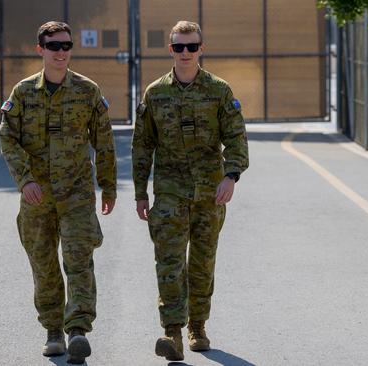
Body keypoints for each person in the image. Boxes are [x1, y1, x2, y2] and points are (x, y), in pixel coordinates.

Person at [0, 21, 116, 365]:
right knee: (44, 264)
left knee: (79, 259)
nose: (61, 52)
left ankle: (77, 328)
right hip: (37, 196)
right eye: (54, 46)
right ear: (40, 50)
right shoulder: (23, 92)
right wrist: (25, 180)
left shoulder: (87, 91)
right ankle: (53, 330)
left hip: (77, 193)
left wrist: (108, 186)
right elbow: (7, 137)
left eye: (66, 46)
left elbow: (104, 142)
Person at [132, 20, 249, 361]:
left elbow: (236, 138)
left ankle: (197, 326)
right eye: (179, 47)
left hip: (209, 193)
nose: (186, 53)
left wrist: (231, 176)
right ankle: (172, 333)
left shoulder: (219, 90)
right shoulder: (155, 93)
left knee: (201, 264)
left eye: (192, 47)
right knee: (168, 262)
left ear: (201, 49)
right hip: (168, 192)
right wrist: (141, 193)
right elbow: (143, 146)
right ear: (170, 49)